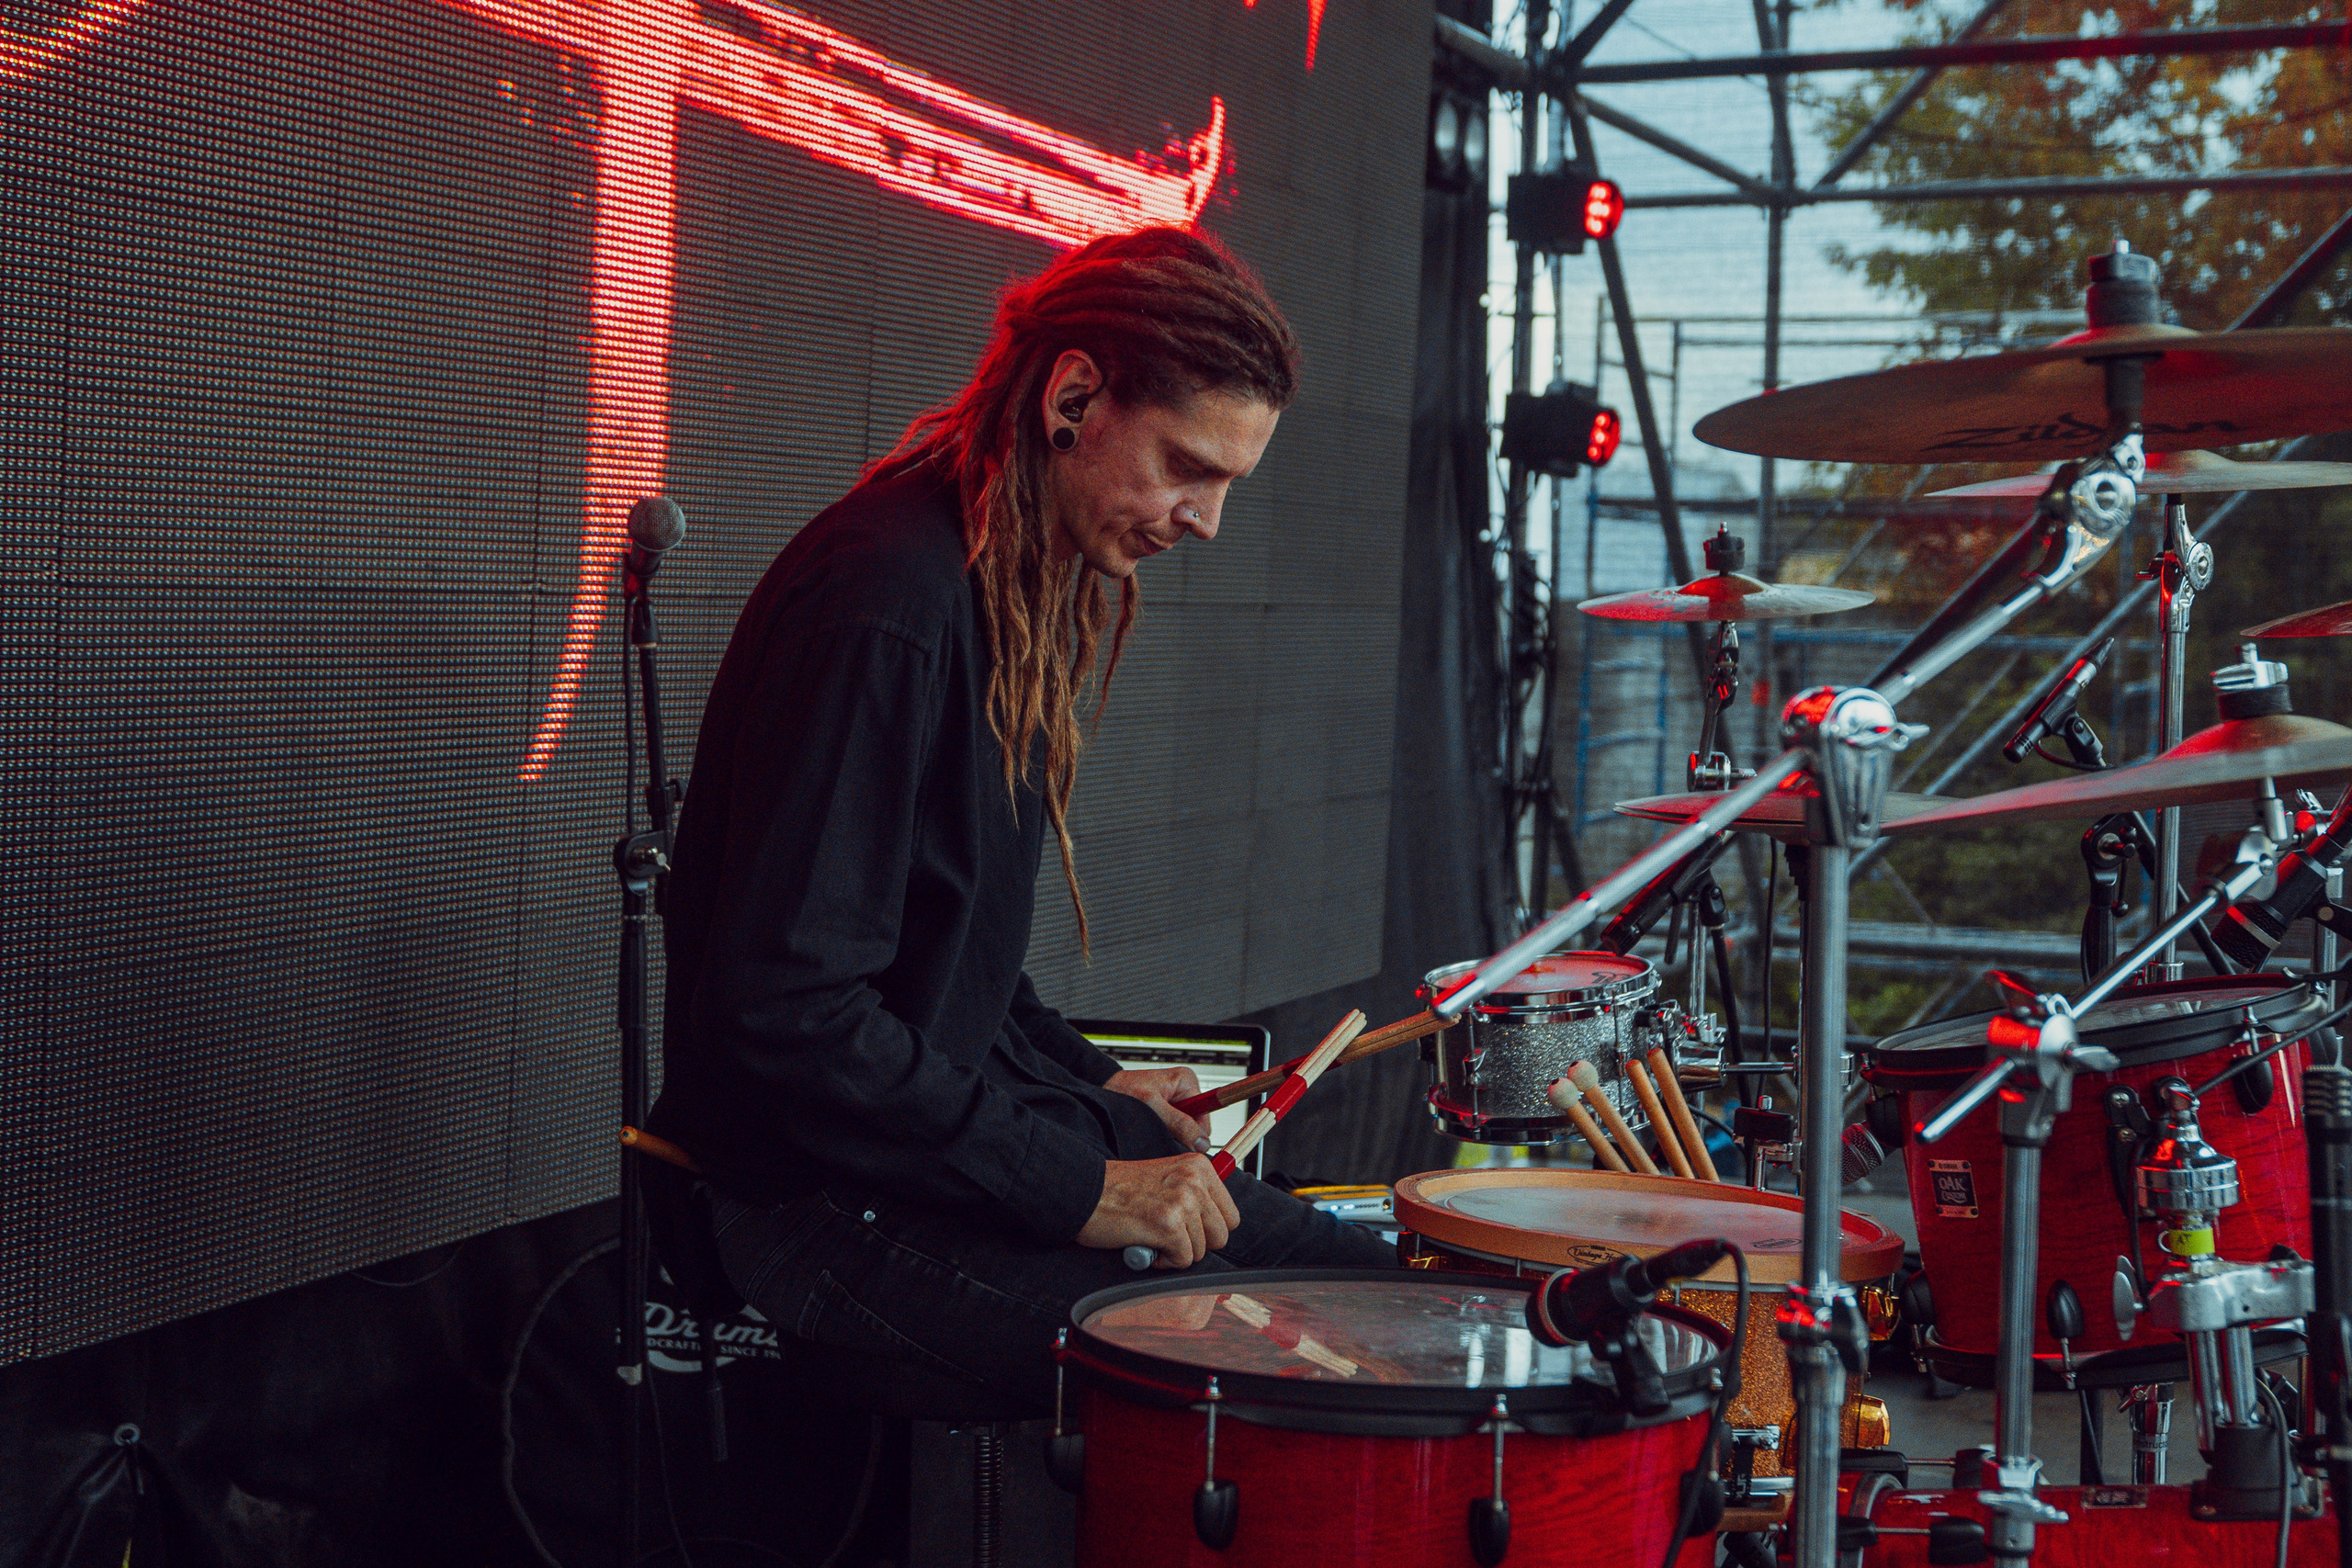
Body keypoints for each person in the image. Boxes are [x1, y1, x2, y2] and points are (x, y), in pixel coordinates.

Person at [648, 226, 1394, 1407]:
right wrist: (1082, 1183)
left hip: (921, 1163)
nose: (1203, 522)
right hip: (817, 1210)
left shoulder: (993, 578)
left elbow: (946, 975)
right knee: (1290, 1374)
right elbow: (788, 1018)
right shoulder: (888, 603)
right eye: (1186, 467)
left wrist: (1098, 1089)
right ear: (1076, 397)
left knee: (1382, 1295)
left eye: (1226, 486)